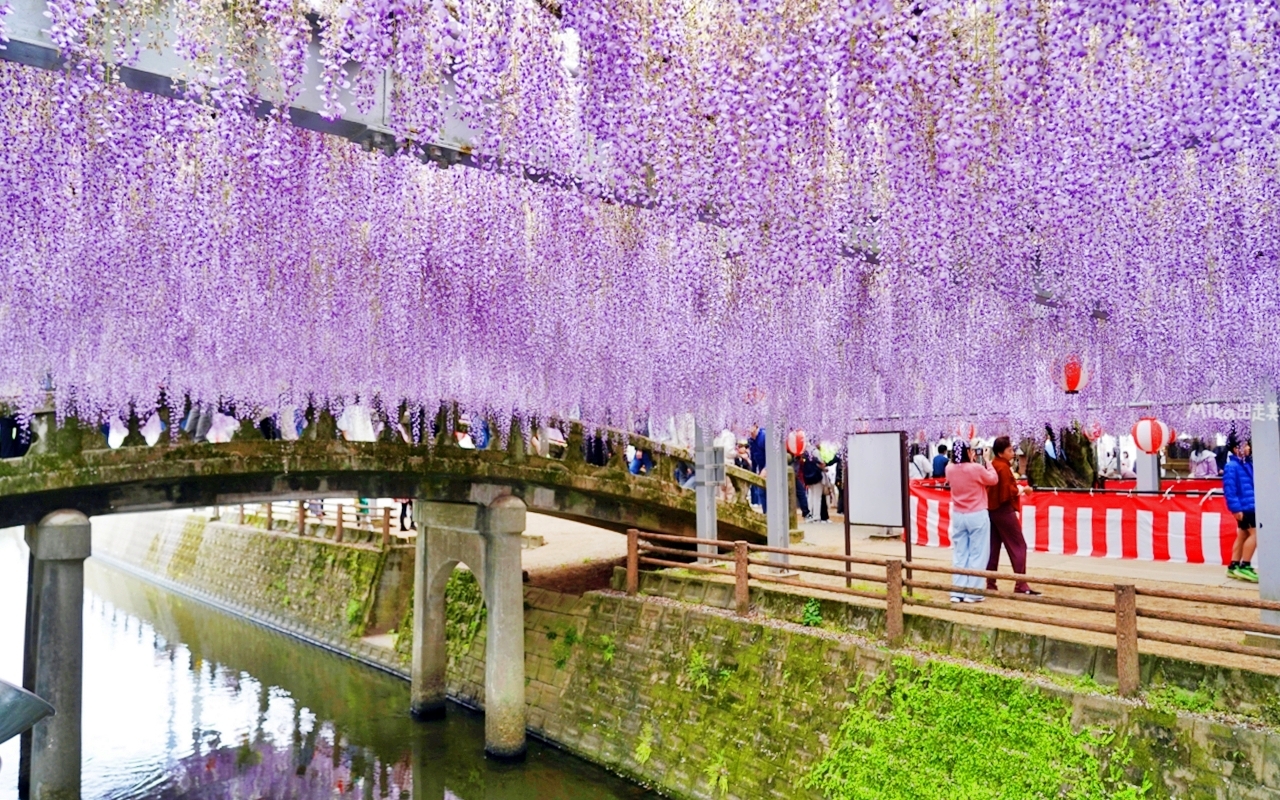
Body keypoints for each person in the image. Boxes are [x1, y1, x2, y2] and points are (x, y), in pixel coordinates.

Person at [945, 441, 997, 603]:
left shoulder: (949, 469)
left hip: (959, 514)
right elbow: (993, 479)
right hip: (977, 514)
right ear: (968, 451)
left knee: (960, 553)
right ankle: (973, 593)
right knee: (978, 553)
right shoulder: (976, 468)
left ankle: (957, 591)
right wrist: (987, 460)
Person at [986, 436, 1039, 595]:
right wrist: (1024, 489)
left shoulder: (994, 465)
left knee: (993, 548)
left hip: (991, 511)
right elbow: (1008, 491)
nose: (1013, 453)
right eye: (1010, 450)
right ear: (1001, 453)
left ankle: (990, 583)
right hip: (1003, 510)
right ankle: (1021, 584)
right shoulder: (1002, 468)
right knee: (1019, 545)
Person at [1223, 434, 1258, 582]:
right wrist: (1236, 509)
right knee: (1257, 534)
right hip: (1246, 506)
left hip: (1249, 505)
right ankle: (1245, 566)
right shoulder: (1232, 466)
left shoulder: (1245, 463)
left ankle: (1233, 566)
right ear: (1235, 449)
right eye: (1244, 445)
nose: (1248, 448)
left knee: (1243, 535)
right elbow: (1229, 490)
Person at [801, 449, 826, 522]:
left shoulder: (805, 451)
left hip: (808, 477)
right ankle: (816, 515)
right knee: (817, 497)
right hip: (816, 477)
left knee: (810, 496)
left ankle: (809, 514)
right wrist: (824, 467)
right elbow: (821, 464)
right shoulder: (816, 451)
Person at [748, 425, 767, 511]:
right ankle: (766, 513)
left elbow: (771, 454)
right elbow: (753, 458)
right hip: (761, 468)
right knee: (761, 491)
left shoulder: (763, 436)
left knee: (766, 491)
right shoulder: (751, 440)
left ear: (755, 426)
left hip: (769, 467)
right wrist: (753, 472)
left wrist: (766, 468)